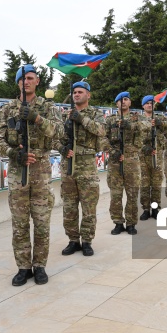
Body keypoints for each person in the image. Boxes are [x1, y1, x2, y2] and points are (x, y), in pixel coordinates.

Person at [0, 64, 63, 286]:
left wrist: (36, 118)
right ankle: (23, 267)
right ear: (18, 83)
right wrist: (14, 153)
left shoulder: (48, 107)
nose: (27, 82)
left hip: (41, 170)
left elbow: (60, 132)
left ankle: (40, 266)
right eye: (23, 79)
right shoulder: (7, 110)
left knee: (42, 221)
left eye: (31, 78)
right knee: (20, 223)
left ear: (37, 81)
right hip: (17, 171)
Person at [58, 81, 106, 256]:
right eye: (74, 92)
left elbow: (101, 131)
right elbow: (56, 137)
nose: (76, 94)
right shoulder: (65, 116)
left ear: (88, 95)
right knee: (69, 206)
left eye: (80, 92)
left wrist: (81, 119)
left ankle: (87, 241)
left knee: (88, 206)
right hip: (68, 167)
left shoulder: (95, 114)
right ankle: (73, 240)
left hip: (87, 167)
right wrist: (61, 148)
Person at [105, 92, 149, 235]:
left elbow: (147, 125)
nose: (123, 102)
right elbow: (102, 138)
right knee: (116, 195)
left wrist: (130, 125)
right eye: (120, 100)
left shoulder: (138, 118)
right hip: (115, 161)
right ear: (116, 103)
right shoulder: (110, 120)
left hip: (132, 160)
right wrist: (112, 151)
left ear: (130, 102)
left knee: (132, 193)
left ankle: (131, 223)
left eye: (126, 99)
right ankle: (118, 222)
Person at [139, 95, 166, 220]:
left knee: (156, 183)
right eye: (147, 103)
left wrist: (160, 124)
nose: (150, 105)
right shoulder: (139, 119)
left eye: (151, 103)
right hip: (143, 157)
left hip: (157, 156)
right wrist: (145, 148)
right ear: (143, 106)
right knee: (144, 184)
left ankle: (155, 208)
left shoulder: (159, 118)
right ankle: (145, 209)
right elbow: (134, 139)